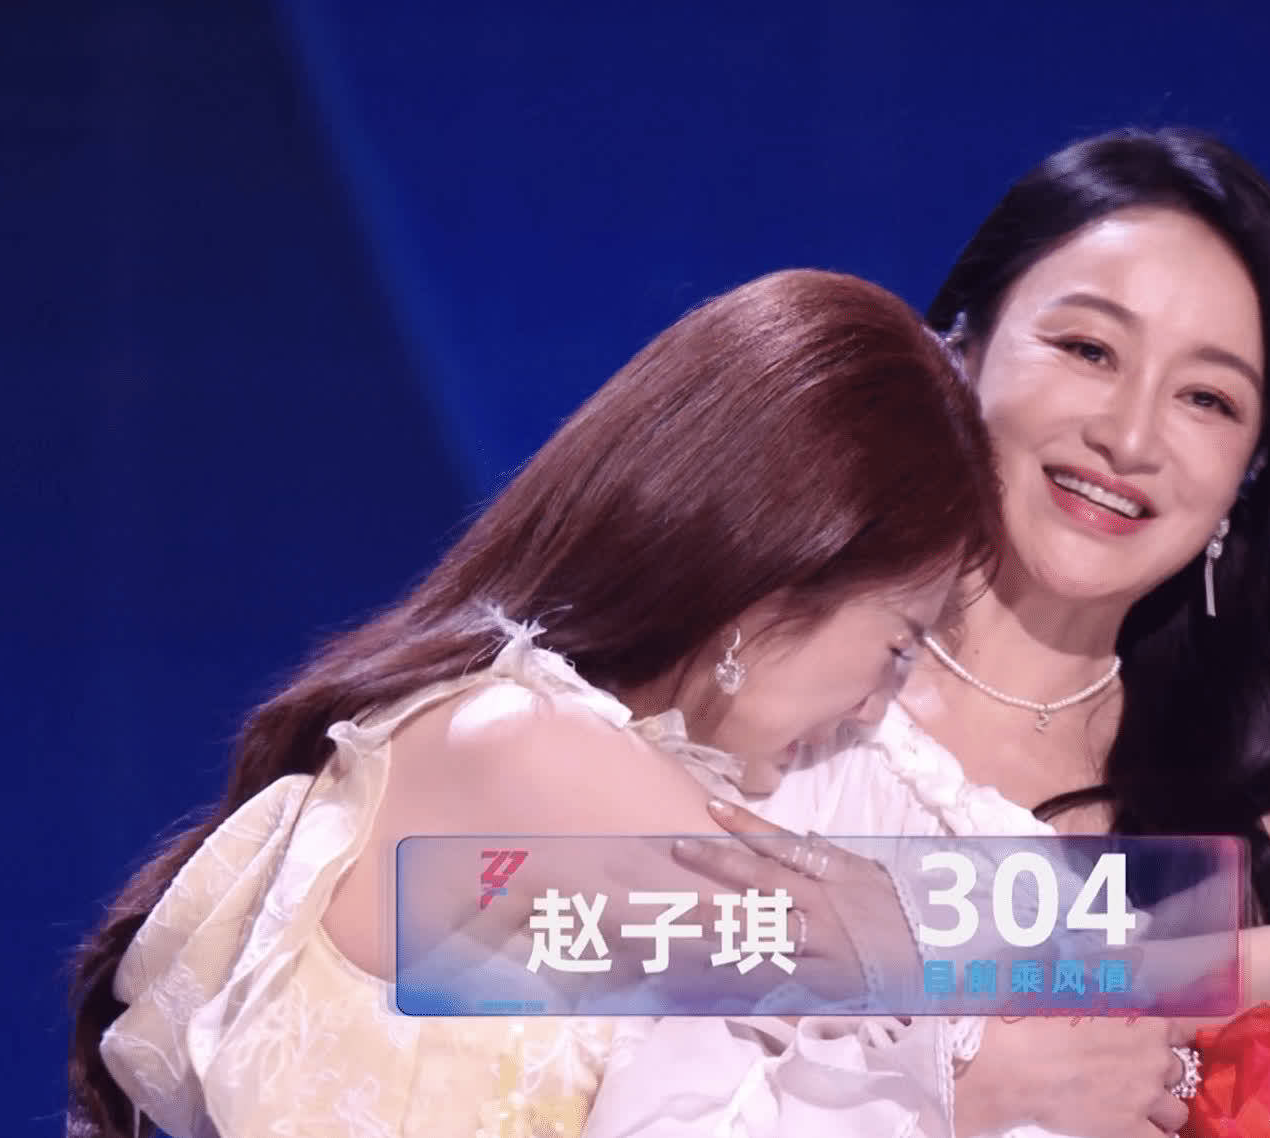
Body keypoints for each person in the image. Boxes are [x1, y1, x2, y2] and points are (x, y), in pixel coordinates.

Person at [63, 269, 1003, 1138]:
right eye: (898, 646)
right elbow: (948, 996)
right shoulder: (538, 753)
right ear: (781, 578)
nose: (876, 709)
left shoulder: (512, 732)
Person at [583, 126, 1270, 1138]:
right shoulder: (762, 680)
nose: (1128, 437)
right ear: (959, 348)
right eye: (1088, 349)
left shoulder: (1242, 872)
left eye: (1206, 400)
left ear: (1247, 477)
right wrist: (1219, 976)